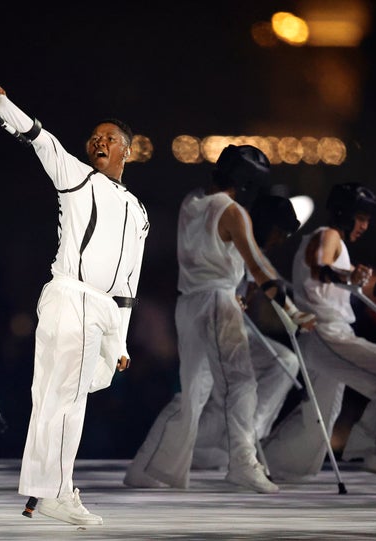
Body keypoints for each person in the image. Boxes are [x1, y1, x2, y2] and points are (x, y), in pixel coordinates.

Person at [0, 86, 149, 525]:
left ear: (126, 151)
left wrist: (121, 340)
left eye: (109, 138)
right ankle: (54, 492)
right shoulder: (76, 176)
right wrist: (4, 109)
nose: (99, 141)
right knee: (63, 399)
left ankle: (42, 488)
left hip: (102, 310)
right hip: (69, 297)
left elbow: (129, 279)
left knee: (63, 396)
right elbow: (41, 139)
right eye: (94, 136)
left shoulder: (138, 210)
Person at [123, 145, 315, 494]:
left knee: (192, 393)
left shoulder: (191, 201)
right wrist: (292, 311)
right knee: (241, 383)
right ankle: (242, 463)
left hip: (190, 304)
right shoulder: (233, 211)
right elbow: (258, 266)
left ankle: (144, 467)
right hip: (217, 301)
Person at [262, 182, 376, 479]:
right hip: (327, 334)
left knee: (319, 419)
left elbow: (367, 286)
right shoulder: (328, 236)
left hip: (320, 336)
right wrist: (347, 274)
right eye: (361, 218)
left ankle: (272, 464)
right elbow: (321, 268)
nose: (365, 226)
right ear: (343, 213)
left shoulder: (334, 244)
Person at [191, 194, 302, 470]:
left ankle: (247, 438)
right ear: (265, 225)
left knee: (286, 362)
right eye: (279, 232)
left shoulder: (256, 251)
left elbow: (270, 281)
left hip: (236, 331)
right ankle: (201, 448)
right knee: (214, 398)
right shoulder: (228, 241)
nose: (280, 240)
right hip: (207, 328)